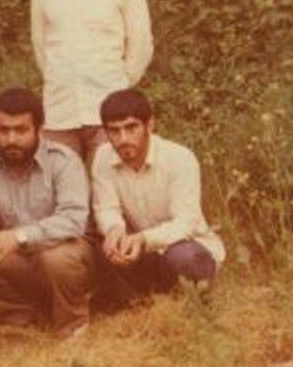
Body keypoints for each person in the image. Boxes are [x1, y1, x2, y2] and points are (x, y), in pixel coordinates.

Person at [0, 88, 93, 337]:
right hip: (20, 258)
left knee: (57, 259)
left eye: (21, 130)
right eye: (3, 130)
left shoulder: (63, 161)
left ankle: (72, 324)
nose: (11, 139)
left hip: (65, 252)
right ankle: (18, 318)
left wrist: (19, 236)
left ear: (39, 129)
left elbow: (73, 221)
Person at [30, 0, 153, 169]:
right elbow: (41, 51)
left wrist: (119, 86)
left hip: (110, 116)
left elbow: (141, 45)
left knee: (110, 186)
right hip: (59, 115)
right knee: (61, 189)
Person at [91, 88, 225, 306]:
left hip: (185, 245)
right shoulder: (103, 157)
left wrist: (144, 239)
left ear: (150, 125)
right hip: (138, 249)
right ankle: (135, 301)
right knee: (96, 248)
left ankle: (191, 293)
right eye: (114, 131)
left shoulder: (179, 158)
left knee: (185, 257)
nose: (123, 139)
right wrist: (113, 231)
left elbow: (186, 222)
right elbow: (106, 208)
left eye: (131, 128)